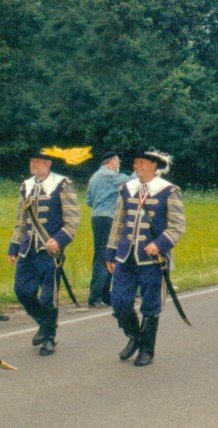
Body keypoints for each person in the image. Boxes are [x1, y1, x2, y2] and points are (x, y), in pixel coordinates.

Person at [106, 148, 186, 366]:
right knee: (119, 301)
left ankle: (147, 350)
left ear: (154, 165)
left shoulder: (168, 190)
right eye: (136, 163)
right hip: (125, 256)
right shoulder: (127, 189)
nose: (137, 167)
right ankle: (135, 337)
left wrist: (159, 244)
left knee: (151, 305)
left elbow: (178, 226)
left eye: (142, 163)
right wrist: (110, 251)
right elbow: (118, 222)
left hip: (152, 261)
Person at [8, 149, 81, 356]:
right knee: (22, 291)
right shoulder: (26, 186)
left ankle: (49, 337)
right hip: (27, 250)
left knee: (49, 297)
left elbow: (72, 220)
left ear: (48, 163)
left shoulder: (62, 184)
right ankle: (45, 322)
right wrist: (14, 246)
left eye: (38, 161)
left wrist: (58, 240)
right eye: (32, 160)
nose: (33, 164)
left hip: (50, 252)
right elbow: (21, 220)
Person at [86, 151, 129, 308]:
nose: (119, 164)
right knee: (106, 255)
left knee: (106, 253)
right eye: (118, 161)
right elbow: (131, 180)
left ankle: (104, 294)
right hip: (108, 217)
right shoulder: (111, 176)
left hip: (97, 216)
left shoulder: (94, 177)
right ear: (112, 161)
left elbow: (89, 201)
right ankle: (95, 296)